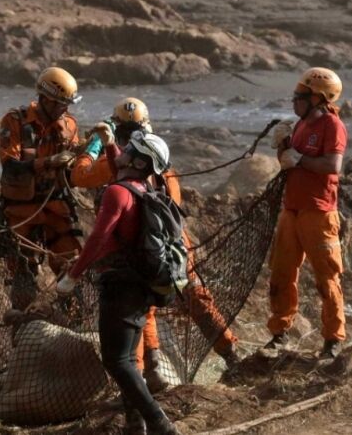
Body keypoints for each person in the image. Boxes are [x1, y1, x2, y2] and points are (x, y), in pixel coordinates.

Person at [71, 98, 240, 392]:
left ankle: (146, 375)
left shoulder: (115, 165)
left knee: (140, 310)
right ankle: (230, 354)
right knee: (196, 297)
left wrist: (94, 147)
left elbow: (78, 175)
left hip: (138, 248)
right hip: (175, 247)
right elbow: (173, 206)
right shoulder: (162, 163)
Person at [58, 132, 180, 434]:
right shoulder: (142, 188)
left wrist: (73, 276)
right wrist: (109, 142)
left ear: (138, 161)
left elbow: (98, 238)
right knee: (128, 359)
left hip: (120, 288)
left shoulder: (117, 193)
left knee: (117, 362)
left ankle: (160, 424)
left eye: (129, 149)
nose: (122, 151)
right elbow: (120, 169)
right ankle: (135, 423)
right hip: (140, 286)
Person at [265, 67, 347, 360]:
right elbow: (289, 164)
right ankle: (280, 333)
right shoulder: (299, 125)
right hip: (292, 209)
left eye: (300, 95)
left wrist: (299, 158)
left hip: (319, 212)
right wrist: (283, 147)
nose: (294, 100)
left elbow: (332, 166)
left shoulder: (332, 126)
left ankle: (333, 340)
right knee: (282, 273)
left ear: (319, 98)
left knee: (327, 278)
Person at [0, 66, 83, 311]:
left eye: (67, 105)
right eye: (61, 104)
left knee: (72, 267)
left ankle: (72, 319)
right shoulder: (15, 121)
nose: (64, 109)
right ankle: (23, 322)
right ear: (45, 99)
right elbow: (10, 166)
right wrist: (48, 162)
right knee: (23, 274)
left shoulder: (69, 126)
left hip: (56, 208)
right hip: (21, 210)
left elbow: (74, 172)